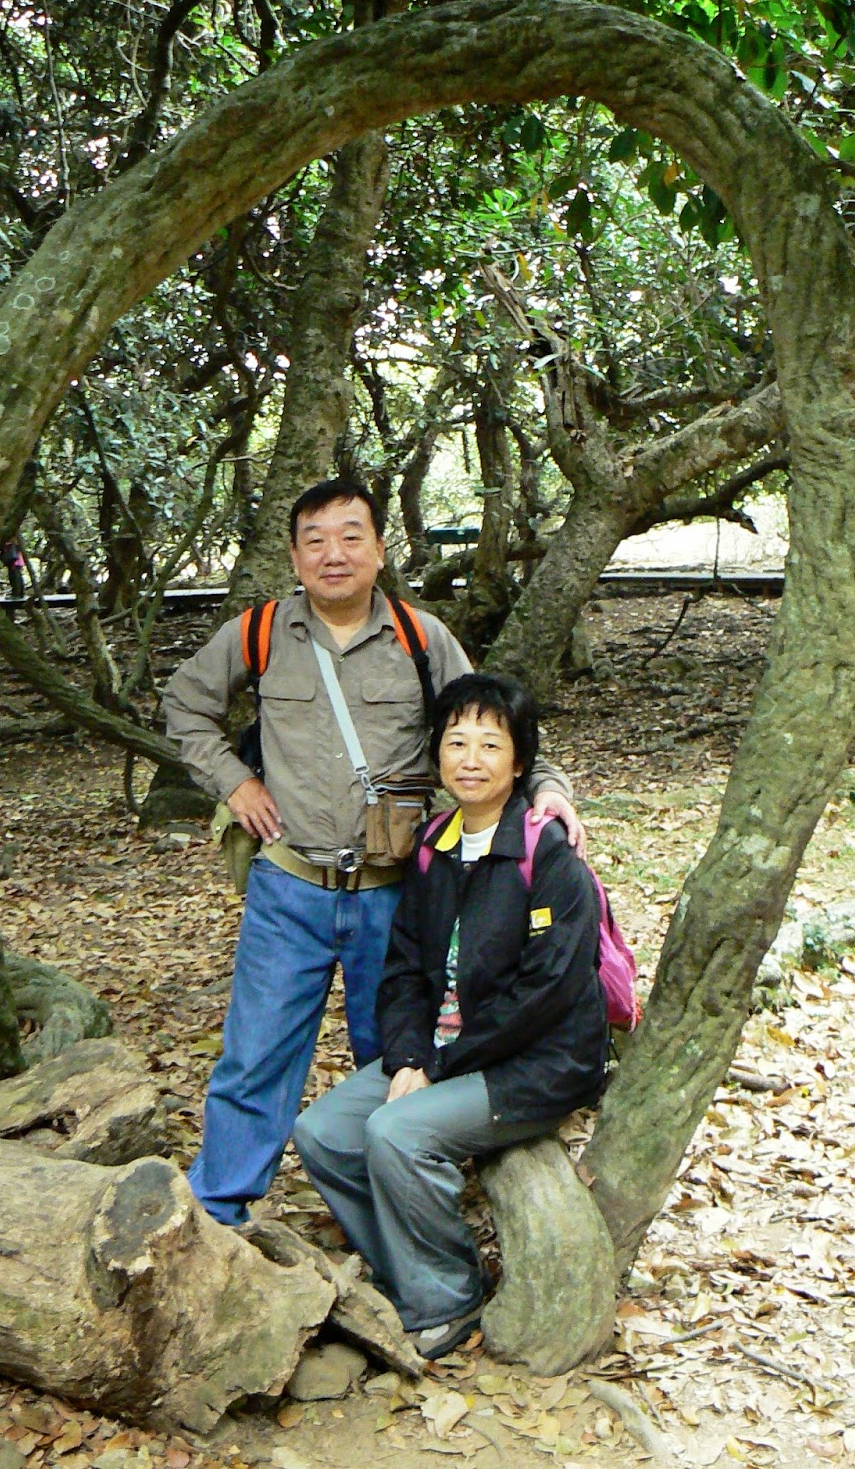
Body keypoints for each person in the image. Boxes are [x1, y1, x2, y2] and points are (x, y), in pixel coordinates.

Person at [163, 477, 585, 1227]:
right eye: (316, 540)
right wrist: (235, 782)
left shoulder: (421, 638)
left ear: (380, 550)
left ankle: (387, 1215)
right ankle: (219, 1209)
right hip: (289, 882)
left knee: (392, 1055)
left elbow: (493, 723)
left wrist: (549, 789)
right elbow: (184, 706)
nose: (335, 554)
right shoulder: (259, 633)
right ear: (295, 556)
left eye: (351, 537)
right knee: (255, 1056)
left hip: (397, 891)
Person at [294, 672, 608, 1359]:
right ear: (437, 754)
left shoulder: (548, 853)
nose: (470, 759)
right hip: (444, 1049)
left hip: (534, 1064)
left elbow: (548, 992)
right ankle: (407, 1275)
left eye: (490, 745)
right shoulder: (435, 845)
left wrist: (436, 1067)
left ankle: (448, 1298)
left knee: (397, 1133)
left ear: (518, 762)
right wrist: (409, 1055)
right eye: (456, 742)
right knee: (324, 1132)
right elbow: (406, 967)